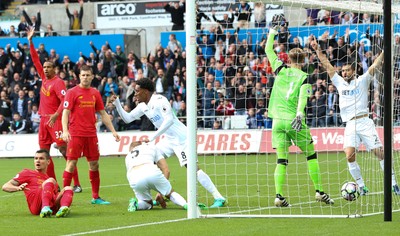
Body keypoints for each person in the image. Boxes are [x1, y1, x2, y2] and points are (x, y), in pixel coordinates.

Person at [110, 78, 227, 208]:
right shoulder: (143, 106)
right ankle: (155, 196)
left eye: (137, 91)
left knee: (192, 168)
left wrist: (153, 137)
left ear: (146, 91)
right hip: (168, 139)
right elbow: (127, 119)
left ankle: (219, 197)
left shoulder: (160, 100)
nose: (135, 94)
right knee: (151, 162)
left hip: (182, 138)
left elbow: (169, 120)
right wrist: (117, 105)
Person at [311, 40, 400, 195]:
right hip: (350, 124)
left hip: (364, 121)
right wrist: (317, 49)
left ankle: (393, 183)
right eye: (343, 70)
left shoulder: (362, 80)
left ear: (354, 70)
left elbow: (375, 65)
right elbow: (327, 65)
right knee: (349, 154)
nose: (344, 73)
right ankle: (361, 186)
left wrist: (388, 48)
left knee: (379, 152)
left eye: (347, 70)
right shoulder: (339, 83)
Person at [265, 23, 334, 207]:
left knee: (281, 160)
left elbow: (267, 49)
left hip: (277, 122)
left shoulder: (279, 68)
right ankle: (319, 191)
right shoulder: (305, 76)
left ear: (287, 58)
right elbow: (303, 98)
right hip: (293, 120)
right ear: (303, 60)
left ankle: (279, 196)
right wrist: (299, 115)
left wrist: (273, 30)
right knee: (311, 155)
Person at [27, 28, 82, 193]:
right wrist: (30, 41)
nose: (44, 69)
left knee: (65, 151)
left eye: (48, 67)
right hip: (43, 121)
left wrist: (56, 115)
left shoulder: (58, 83)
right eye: (44, 67)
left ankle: (77, 183)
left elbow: (65, 101)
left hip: (55, 121)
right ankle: (52, 184)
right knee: (44, 155)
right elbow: (35, 59)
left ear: (54, 69)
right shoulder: (43, 79)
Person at [61, 65, 121, 205]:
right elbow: (65, 112)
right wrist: (65, 130)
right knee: (71, 163)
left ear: (92, 76)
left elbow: (103, 113)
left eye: (88, 75)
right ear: (79, 76)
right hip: (76, 134)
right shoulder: (72, 92)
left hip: (91, 135)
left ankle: (95, 197)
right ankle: (63, 196)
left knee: (94, 164)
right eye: (83, 75)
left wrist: (113, 131)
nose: (85, 77)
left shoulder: (95, 93)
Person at [125, 141, 206, 211]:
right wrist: (161, 192)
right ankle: (187, 205)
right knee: (170, 193)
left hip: (133, 176)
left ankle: (136, 205)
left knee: (147, 203)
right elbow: (166, 170)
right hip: (150, 170)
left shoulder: (127, 156)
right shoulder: (151, 147)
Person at [2, 149, 74, 218]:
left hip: (51, 205)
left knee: (69, 188)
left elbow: (55, 197)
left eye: (41, 158)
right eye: (36, 158)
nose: (38, 161)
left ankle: (63, 209)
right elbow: (5, 186)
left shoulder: (49, 180)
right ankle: (45, 208)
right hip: (36, 205)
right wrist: (17, 188)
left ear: (48, 162)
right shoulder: (27, 173)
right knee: (51, 180)